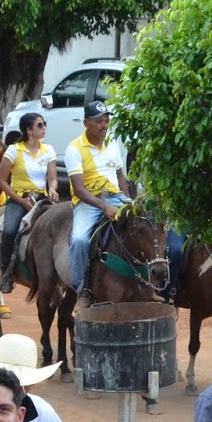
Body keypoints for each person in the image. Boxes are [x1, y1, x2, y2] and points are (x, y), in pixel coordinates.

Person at [65, 102, 132, 304]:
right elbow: (79, 189)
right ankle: (82, 289)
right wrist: (105, 207)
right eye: (98, 121)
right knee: (79, 239)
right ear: (86, 123)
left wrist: (128, 202)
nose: (104, 125)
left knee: (145, 226)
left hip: (116, 196)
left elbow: (120, 176)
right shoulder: (74, 148)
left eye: (106, 121)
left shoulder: (112, 142)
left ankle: (149, 281)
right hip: (90, 201)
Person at [0, 113, 59, 294]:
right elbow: (0, 181)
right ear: (29, 130)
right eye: (40, 125)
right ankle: (6, 273)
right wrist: (20, 200)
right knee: (9, 231)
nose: (44, 128)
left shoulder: (49, 150)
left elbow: (52, 178)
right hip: (19, 198)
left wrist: (53, 188)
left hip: (41, 199)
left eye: (44, 124)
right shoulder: (14, 150)